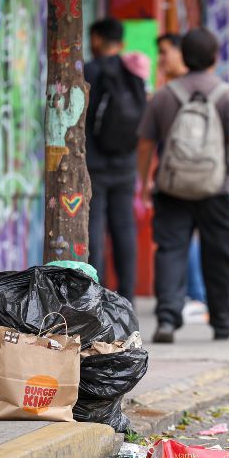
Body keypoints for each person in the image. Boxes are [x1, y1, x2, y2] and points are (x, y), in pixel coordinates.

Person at [137, 27, 229, 343]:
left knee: (170, 251)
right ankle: (222, 320)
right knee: (219, 255)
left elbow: (145, 144)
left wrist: (145, 180)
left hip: (171, 188)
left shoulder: (164, 96)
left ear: (184, 57)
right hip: (217, 189)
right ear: (215, 57)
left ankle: (167, 318)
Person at [84, 18, 147, 305]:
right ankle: (127, 296)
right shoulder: (133, 71)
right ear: (121, 43)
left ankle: (95, 295)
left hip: (94, 164)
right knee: (124, 228)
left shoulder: (89, 71)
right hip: (125, 163)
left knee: (94, 229)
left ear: (96, 39)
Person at [156, 33, 209, 324]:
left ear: (181, 53)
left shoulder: (174, 92)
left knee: (179, 239)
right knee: (186, 238)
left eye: (165, 52)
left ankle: (196, 296)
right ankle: (195, 297)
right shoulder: (193, 89)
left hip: (183, 174)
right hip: (198, 174)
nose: (161, 59)